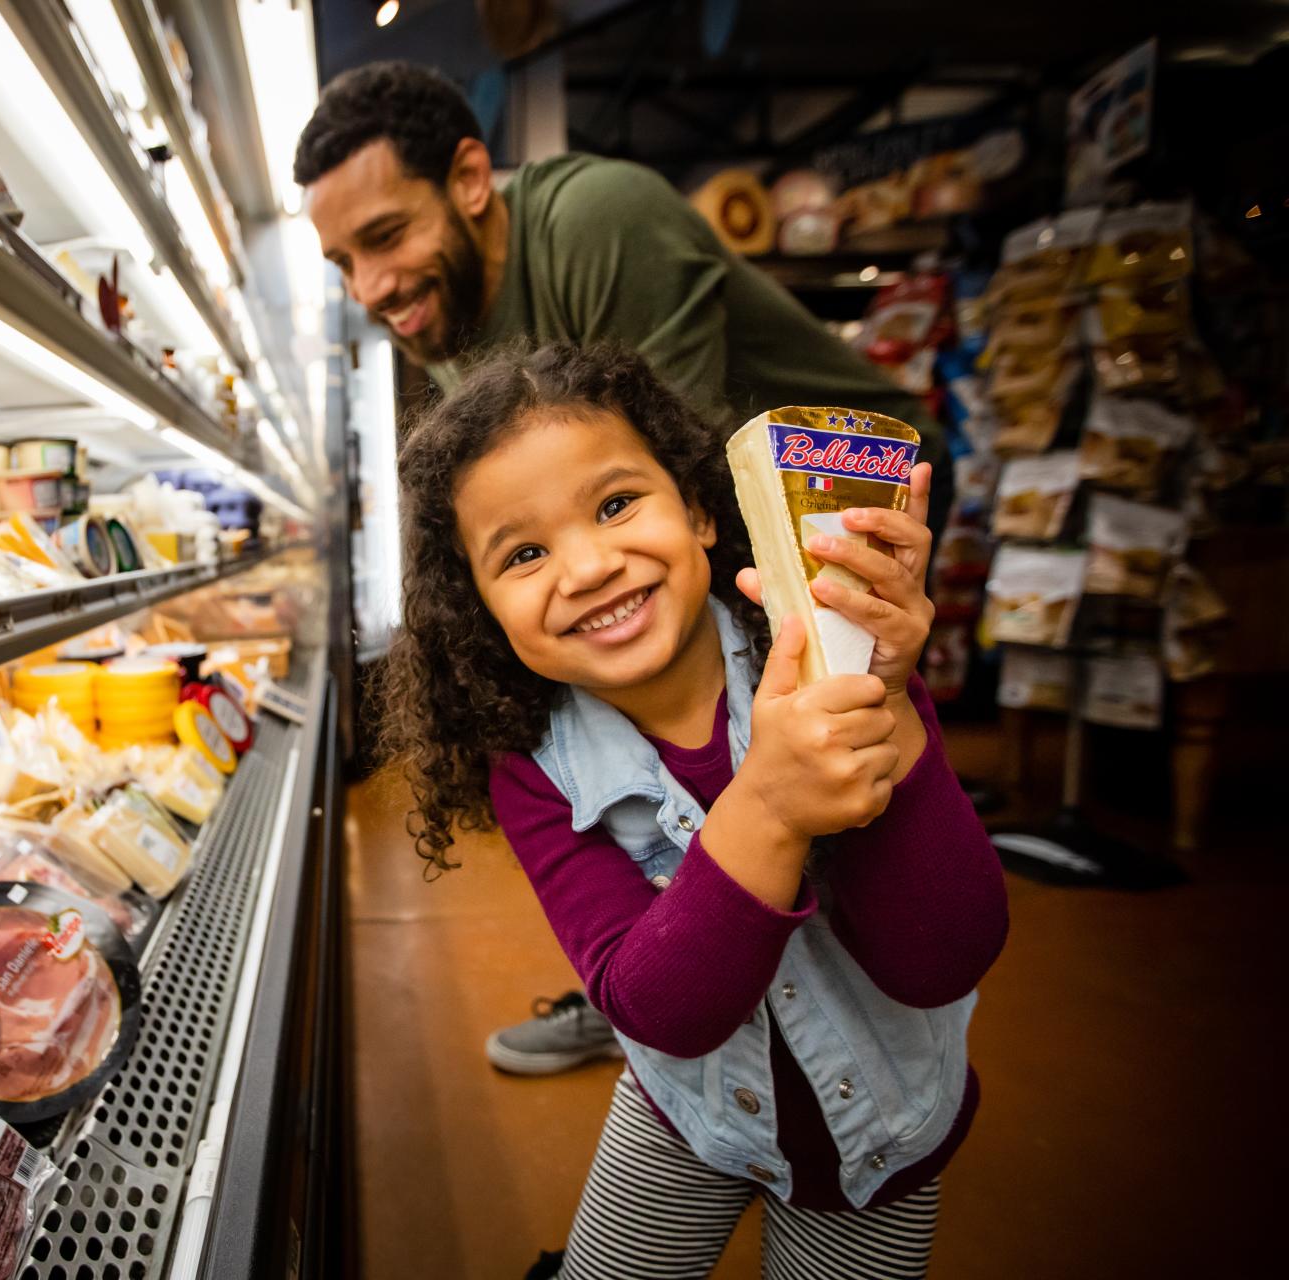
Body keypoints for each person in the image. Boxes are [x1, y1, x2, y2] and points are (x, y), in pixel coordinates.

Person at [297, 60, 959, 1070]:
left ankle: (801, 1006)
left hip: (836, 490)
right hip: (693, 534)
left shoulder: (600, 219)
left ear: (471, 178)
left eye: (385, 237)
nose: (371, 286)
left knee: (802, 774)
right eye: (344, 260)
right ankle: (659, 969)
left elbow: (668, 457)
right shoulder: (447, 306)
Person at [379, 343, 1006, 1277]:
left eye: (617, 504)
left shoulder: (837, 659)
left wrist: (882, 698)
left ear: (703, 510)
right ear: (479, 610)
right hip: (689, 1111)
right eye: (524, 552)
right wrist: (774, 804)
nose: (588, 566)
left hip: (885, 1136)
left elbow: (945, 955)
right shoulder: (532, 766)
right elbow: (658, 1009)